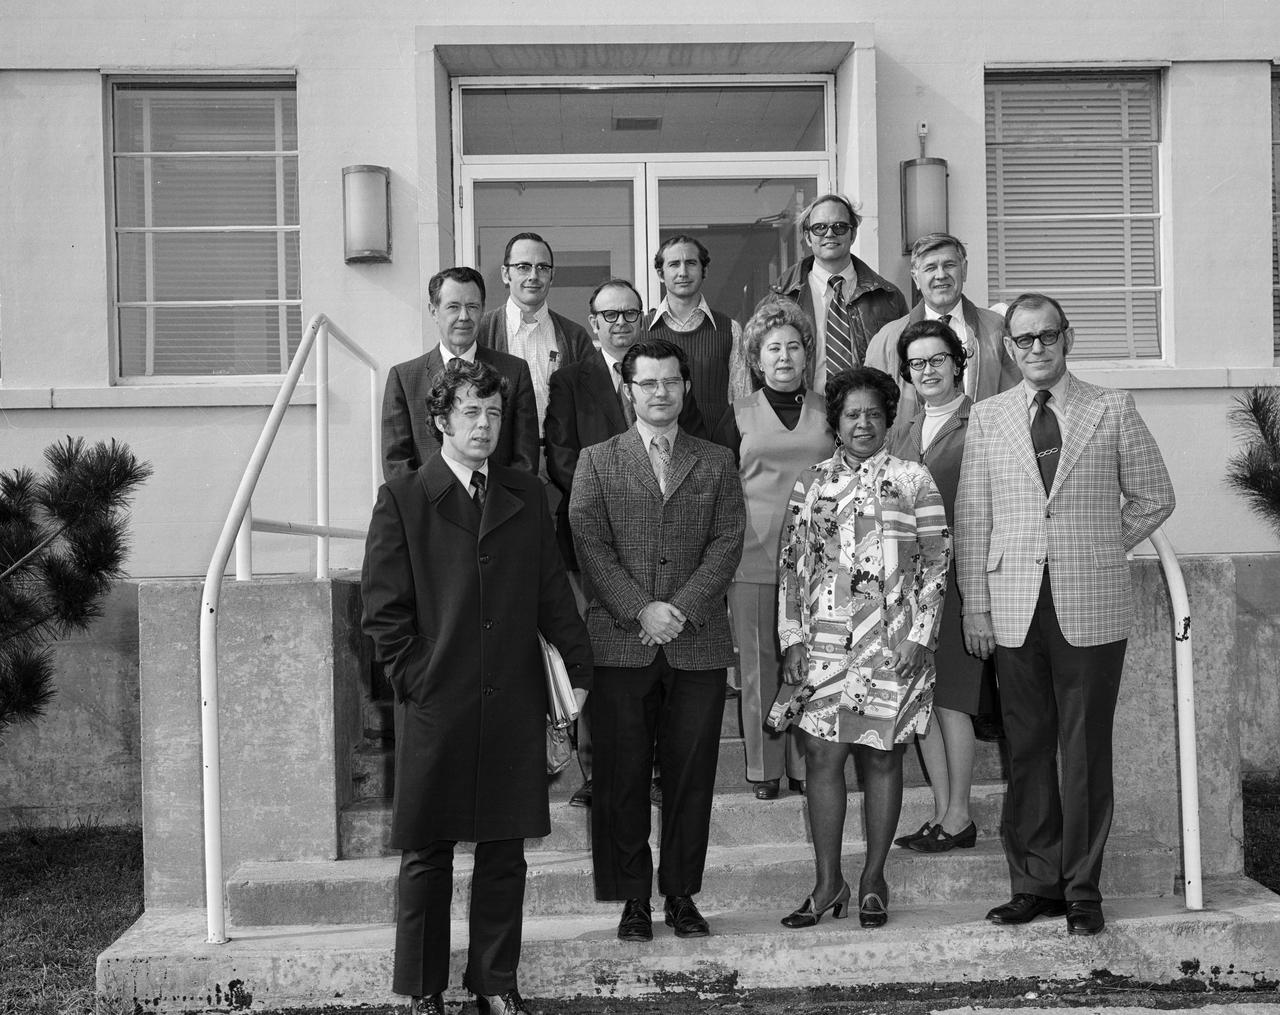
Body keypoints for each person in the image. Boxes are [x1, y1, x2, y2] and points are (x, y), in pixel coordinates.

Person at [361, 359, 593, 1015]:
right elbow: (381, 610)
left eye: (494, 412)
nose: (485, 424)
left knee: (504, 851)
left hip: (515, 697)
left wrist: (577, 677)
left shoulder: (526, 495)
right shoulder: (404, 497)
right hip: (438, 703)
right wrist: (418, 679)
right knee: (427, 853)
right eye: (471, 411)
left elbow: (553, 593)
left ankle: (495, 981)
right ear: (439, 420)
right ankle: (423, 988)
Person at [956, 293, 1174, 936]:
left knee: (1083, 751)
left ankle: (1082, 888)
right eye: (1023, 340)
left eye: (1047, 336)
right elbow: (974, 518)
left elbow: (1154, 496)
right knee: (1026, 750)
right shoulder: (990, 417)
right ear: (1008, 348)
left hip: (1090, 604)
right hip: (1013, 606)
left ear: (1067, 338)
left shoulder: (1112, 409)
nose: (1037, 348)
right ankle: (1036, 884)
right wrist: (977, 604)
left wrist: (1104, 544)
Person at [569, 338, 744, 944]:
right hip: (621, 644)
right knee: (620, 775)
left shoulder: (717, 459)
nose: (660, 392)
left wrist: (681, 609)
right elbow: (588, 545)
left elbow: (728, 542)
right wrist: (640, 609)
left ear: (686, 386)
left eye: (671, 381)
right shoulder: (597, 460)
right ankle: (632, 900)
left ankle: (681, 894)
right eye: (648, 383)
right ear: (629, 389)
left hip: (696, 644)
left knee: (691, 774)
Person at [776, 366, 949, 929]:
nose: (864, 423)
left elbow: (936, 563)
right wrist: (791, 638)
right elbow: (791, 569)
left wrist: (922, 637)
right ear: (837, 422)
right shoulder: (811, 483)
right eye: (852, 414)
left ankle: (874, 878)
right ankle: (828, 883)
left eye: (874, 413)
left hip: (892, 646)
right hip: (824, 646)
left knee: (880, 756)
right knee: (823, 759)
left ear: (889, 417)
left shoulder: (914, 479)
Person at [544, 278, 707, 809]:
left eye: (629, 313)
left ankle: (659, 768)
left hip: (669, 558)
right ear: (592, 322)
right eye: (608, 315)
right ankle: (599, 770)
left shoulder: (671, 383)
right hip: (594, 548)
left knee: (661, 668)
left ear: (643, 318)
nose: (619, 322)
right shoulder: (569, 381)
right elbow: (562, 456)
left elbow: (697, 451)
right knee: (601, 657)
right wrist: (603, 507)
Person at [712, 297, 832, 800]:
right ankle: (765, 769)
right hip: (754, 555)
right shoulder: (735, 414)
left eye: (793, 347)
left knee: (816, 661)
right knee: (759, 664)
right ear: (756, 359)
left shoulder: (832, 410)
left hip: (824, 560)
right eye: (771, 348)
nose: (783, 357)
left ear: (808, 354)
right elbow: (718, 487)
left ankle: (808, 765)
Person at [886, 319, 994, 853]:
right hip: (909, 589)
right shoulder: (900, 432)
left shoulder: (986, 424)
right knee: (920, 702)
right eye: (917, 363)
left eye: (937, 360)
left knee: (952, 700)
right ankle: (939, 813)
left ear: (959, 362)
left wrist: (982, 598)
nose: (927, 370)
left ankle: (959, 817)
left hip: (960, 582)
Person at [381, 267, 538, 481]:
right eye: (453, 307)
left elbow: (525, 457)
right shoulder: (404, 378)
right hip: (426, 509)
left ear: (483, 309)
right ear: (434, 311)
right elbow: (396, 462)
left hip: (498, 508)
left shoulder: (514, 371)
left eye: (472, 306)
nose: (464, 316)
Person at [865, 231, 1021, 423]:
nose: (941, 275)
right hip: (909, 451)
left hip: (983, 448)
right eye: (930, 268)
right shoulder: (887, 339)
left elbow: (1016, 400)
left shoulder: (997, 329)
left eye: (949, 265)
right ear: (915, 278)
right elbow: (873, 408)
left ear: (964, 270)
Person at [770, 194, 907, 393]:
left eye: (839, 227)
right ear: (808, 237)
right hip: (801, 416)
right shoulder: (780, 299)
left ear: (853, 234)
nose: (829, 234)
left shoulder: (889, 298)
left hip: (867, 416)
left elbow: (906, 366)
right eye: (820, 227)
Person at [477, 231, 595, 429]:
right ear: (506, 274)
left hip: (560, 455)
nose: (533, 276)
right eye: (523, 267)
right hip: (499, 455)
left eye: (542, 267)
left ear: (552, 275)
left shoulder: (575, 337)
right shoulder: (481, 332)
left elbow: (591, 404)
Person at [644, 234, 748, 426]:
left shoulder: (730, 330)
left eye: (691, 263)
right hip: (657, 450)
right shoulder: (641, 331)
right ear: (660, 274)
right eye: (674, 264)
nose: (683, 272)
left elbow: (743, 403)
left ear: (704, 270)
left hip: (718, 448)